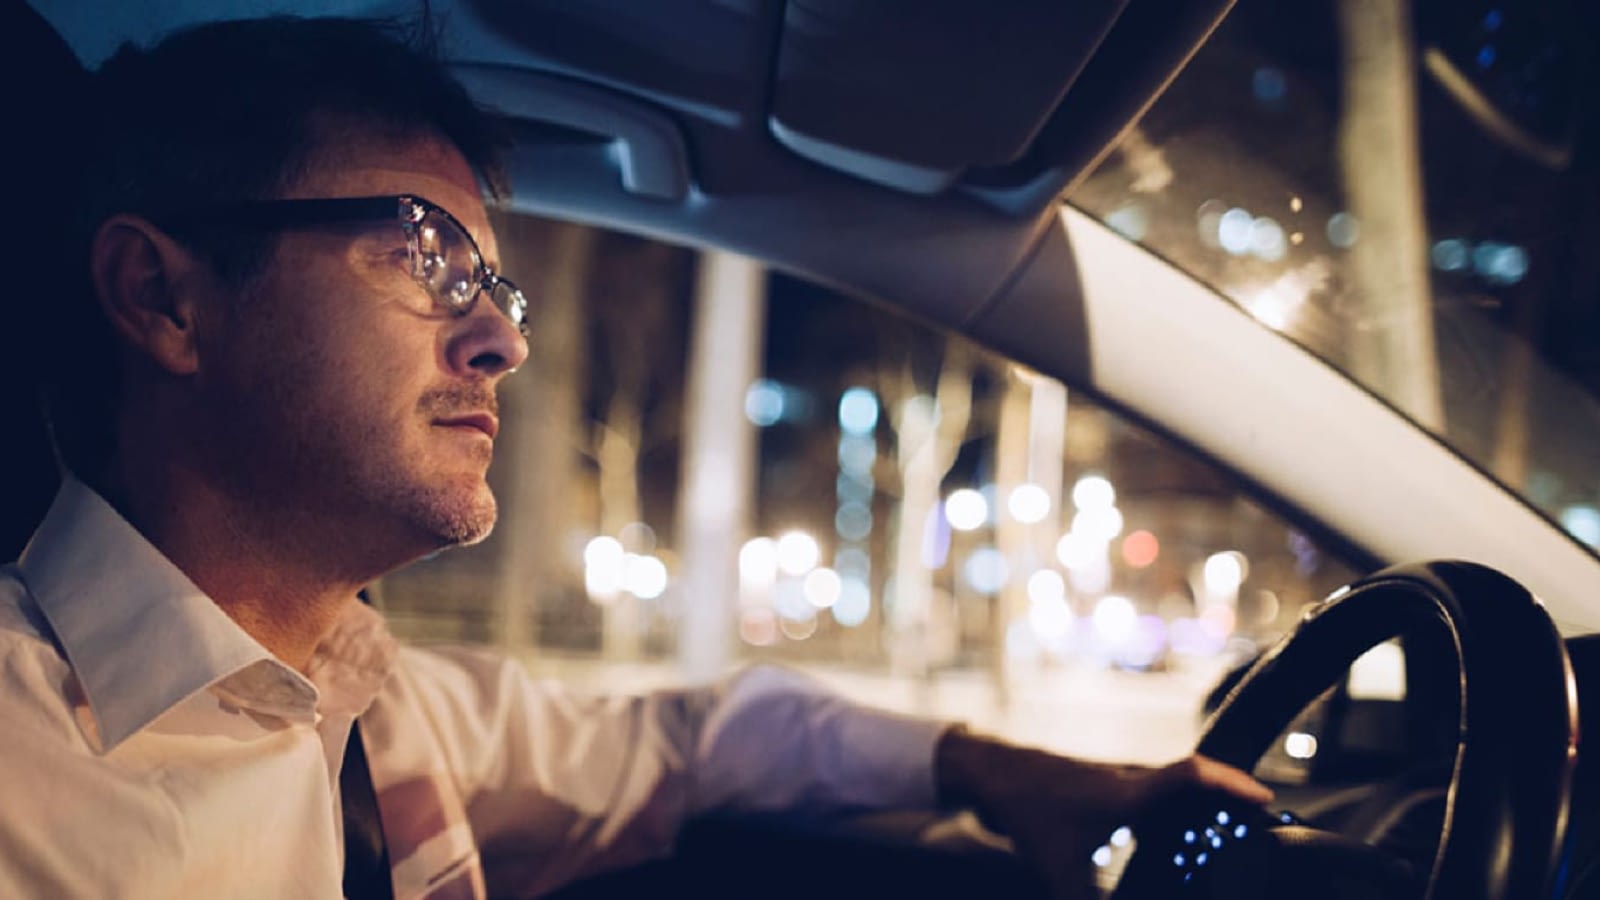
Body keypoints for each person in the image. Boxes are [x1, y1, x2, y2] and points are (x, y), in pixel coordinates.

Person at [0, 13, 1271, 900]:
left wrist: (990, 766)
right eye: (426, 254)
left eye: (497, 286)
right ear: (163, 299)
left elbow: (695, 741)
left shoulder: (377, 707)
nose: (499, 336)